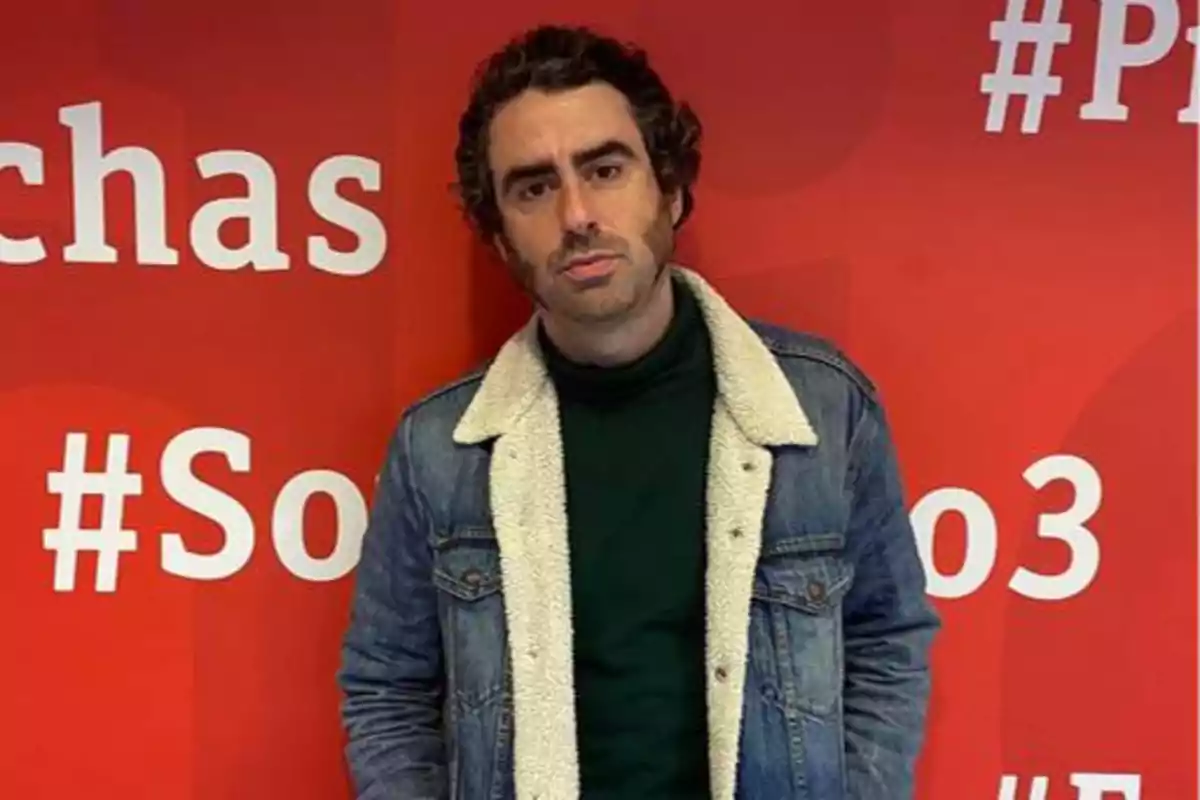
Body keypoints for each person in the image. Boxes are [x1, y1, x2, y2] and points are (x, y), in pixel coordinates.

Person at [337, 23, 940, 800]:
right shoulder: (442, 451)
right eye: (533, 186)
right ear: (497, 234)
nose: (577, 213)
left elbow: (887, 641)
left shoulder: (821, 410)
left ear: (671, 186)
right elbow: (387, 689)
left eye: (606, 167)